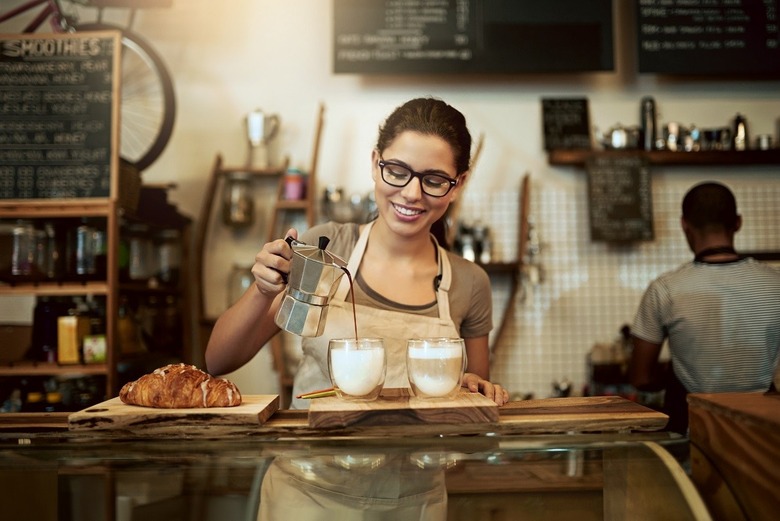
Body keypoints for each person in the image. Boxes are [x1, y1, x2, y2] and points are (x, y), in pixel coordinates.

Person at [206, 97, 509, 409]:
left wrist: (475, 386)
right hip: (314, 455)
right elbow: (218, 361)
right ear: (375, 162)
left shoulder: (469, 282)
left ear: (458, 183)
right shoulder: (324, 248)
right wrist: (262, 290)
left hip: (421, 457)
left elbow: (474, 400)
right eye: (396, 170)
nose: (411, 193)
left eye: (433, 180)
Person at [629, 181, 780, 434]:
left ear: (684, 225)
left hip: (698, 438)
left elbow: (641, 378)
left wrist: (680, 369)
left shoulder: (665, 289)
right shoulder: (776, 283)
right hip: (768, 435)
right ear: (738, 222)